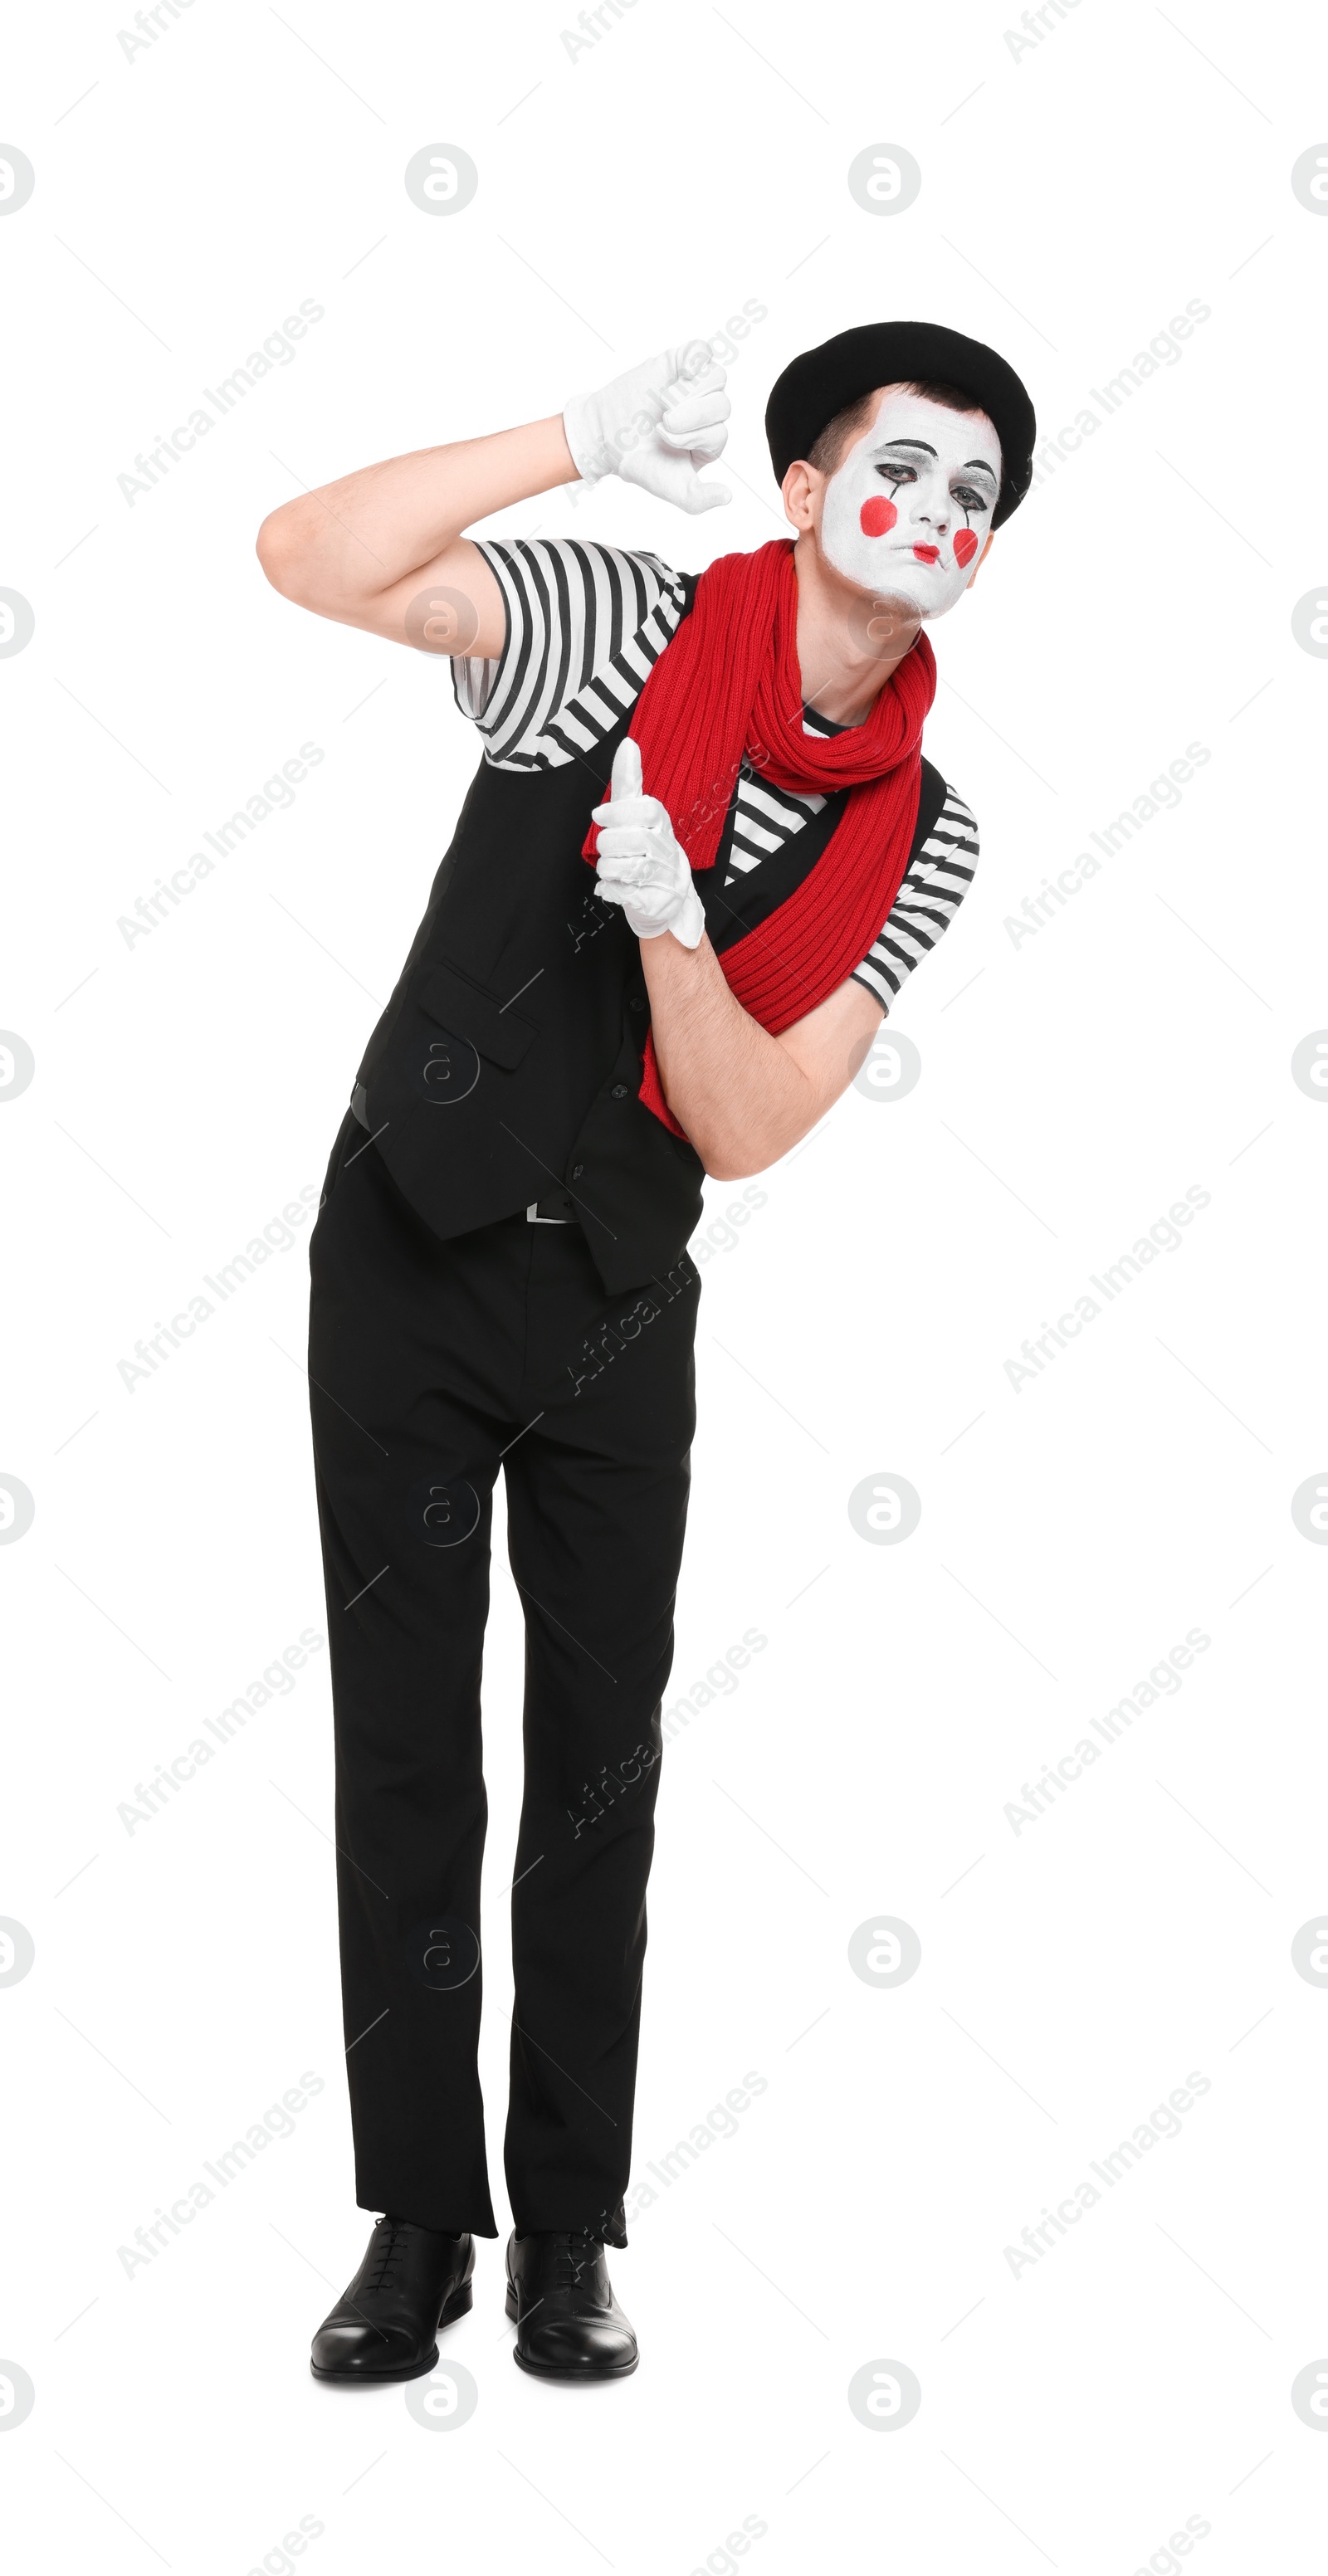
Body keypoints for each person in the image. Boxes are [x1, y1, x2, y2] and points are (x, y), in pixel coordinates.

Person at [255, 320, 1035, 2384]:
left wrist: (675, 920)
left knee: (599, 1778)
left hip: (614, 1292)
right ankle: (418, 2220)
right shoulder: (617, 625)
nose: (932, 510)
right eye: (901, 465)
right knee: (411, 1752)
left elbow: (755, 1124)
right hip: (412, 1243)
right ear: (797, 489)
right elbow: (305, 552)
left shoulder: (922, 830)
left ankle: (566, 2241)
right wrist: (572, 441)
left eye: (973, 495)